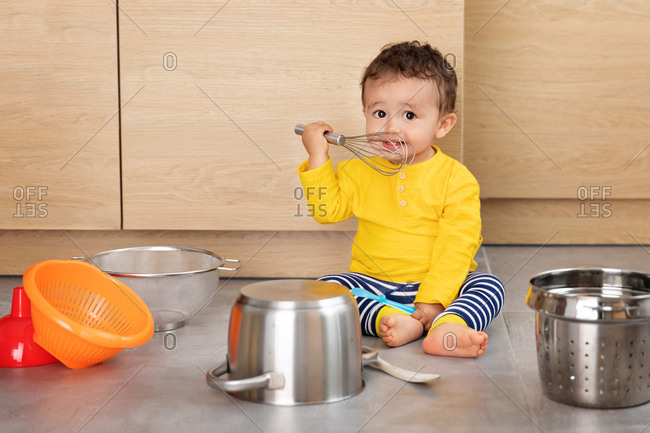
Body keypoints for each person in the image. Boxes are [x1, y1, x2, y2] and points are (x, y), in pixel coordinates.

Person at [297, 41, 504, 357]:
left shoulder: (456, 178)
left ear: (442, 124)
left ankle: (448, 325)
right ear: (365, 112)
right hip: (375, 286)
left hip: (441, 288)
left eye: (409, 114)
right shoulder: (358, 169)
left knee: (488, 287)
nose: (391, 127)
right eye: (380, 113)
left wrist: (434, 299)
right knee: (327, 287)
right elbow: (327, 210)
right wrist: (317, 156)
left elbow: (458, 245)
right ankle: (391, 320)